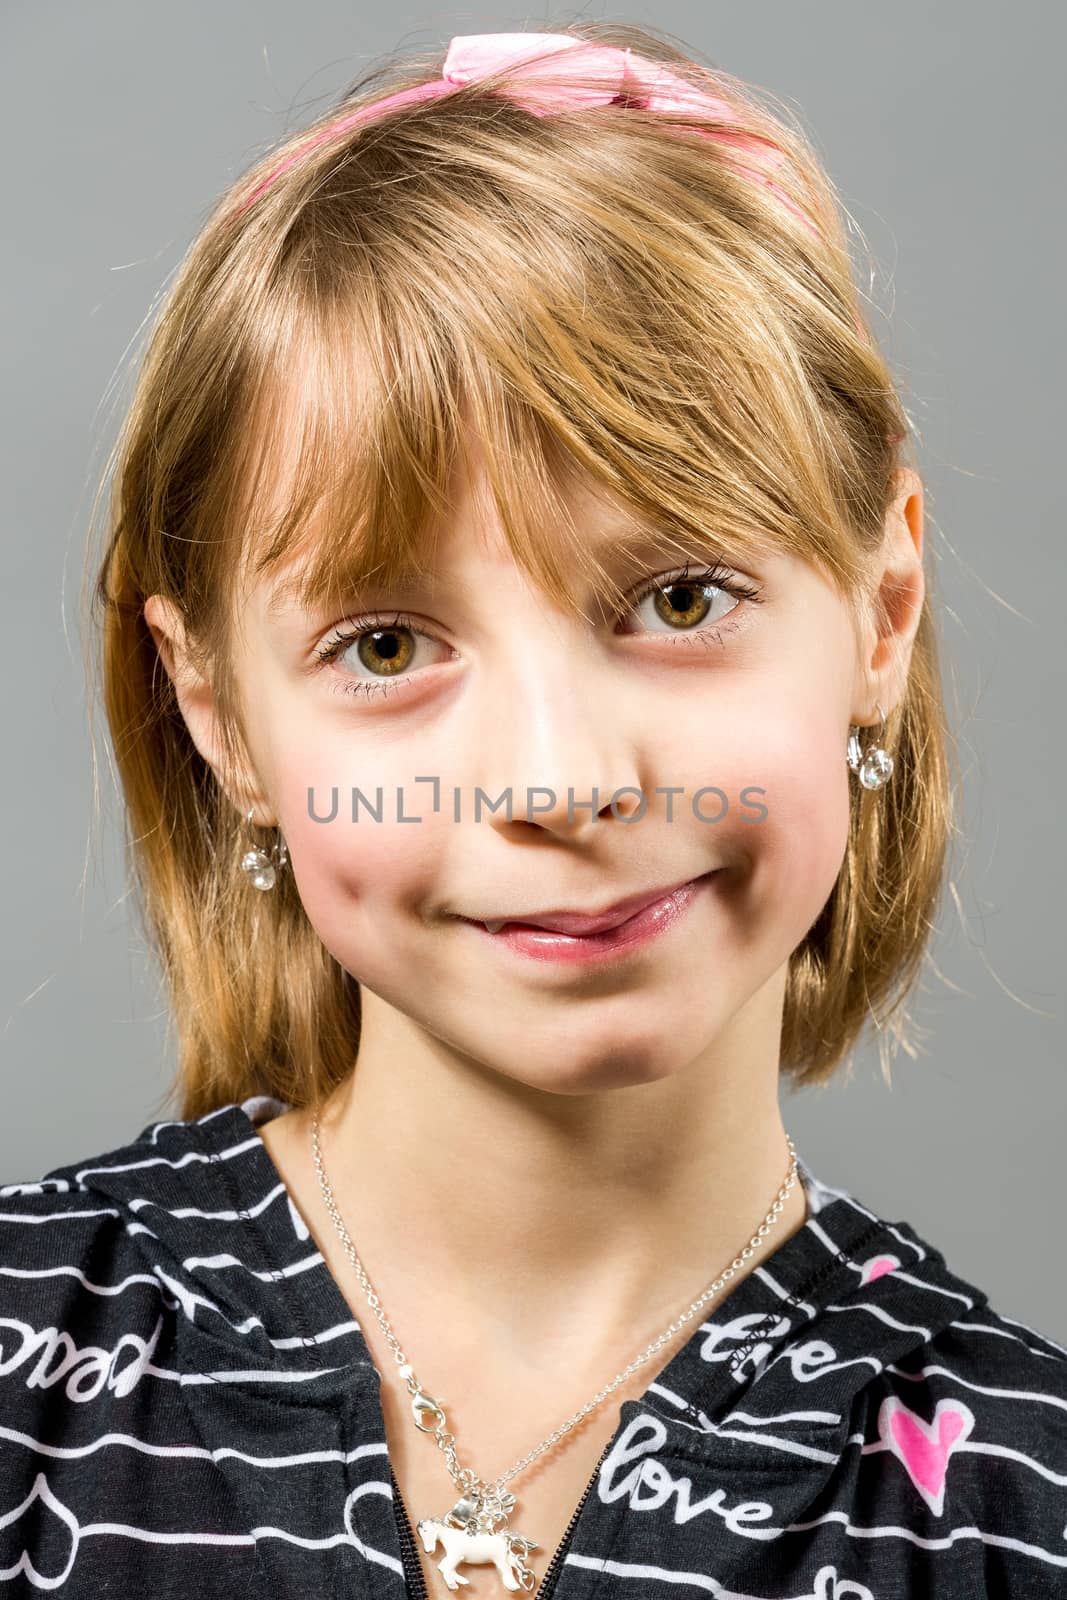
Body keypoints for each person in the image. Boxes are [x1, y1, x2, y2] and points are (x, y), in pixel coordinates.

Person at [2, 23, 1063, 1600]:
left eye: (680, 596)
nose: (562, 780)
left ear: (883, 606)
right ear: (217, 713)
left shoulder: (1014, 1511)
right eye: (383, 646)